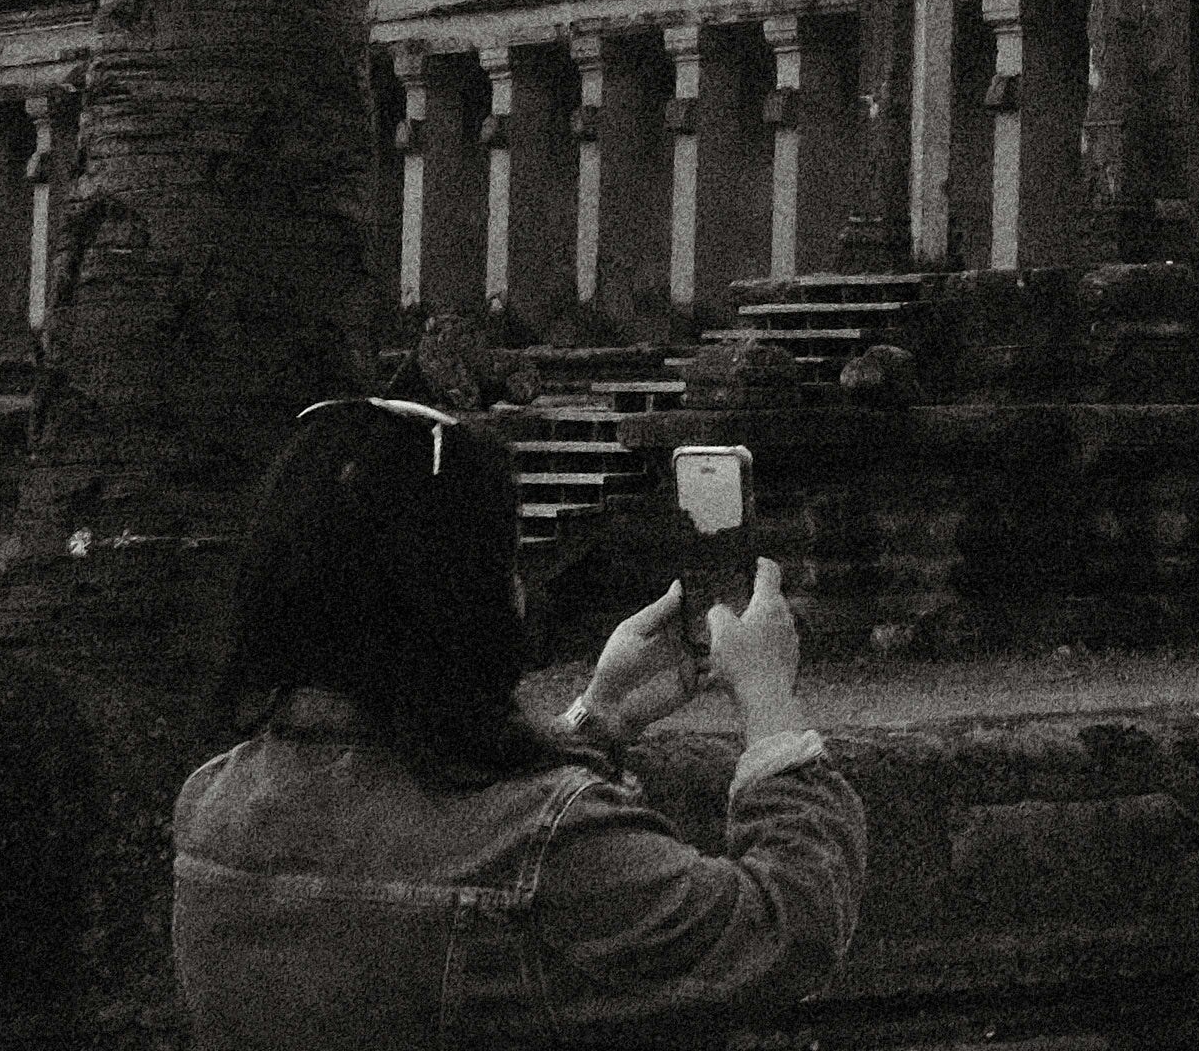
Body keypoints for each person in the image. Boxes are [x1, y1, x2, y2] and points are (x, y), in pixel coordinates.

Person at [174, 397, 866, 1051]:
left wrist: (598, 716)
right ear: (464, 595)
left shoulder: (212, 808)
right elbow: (782, 926)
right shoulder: (548, 844)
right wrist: (770, 699)